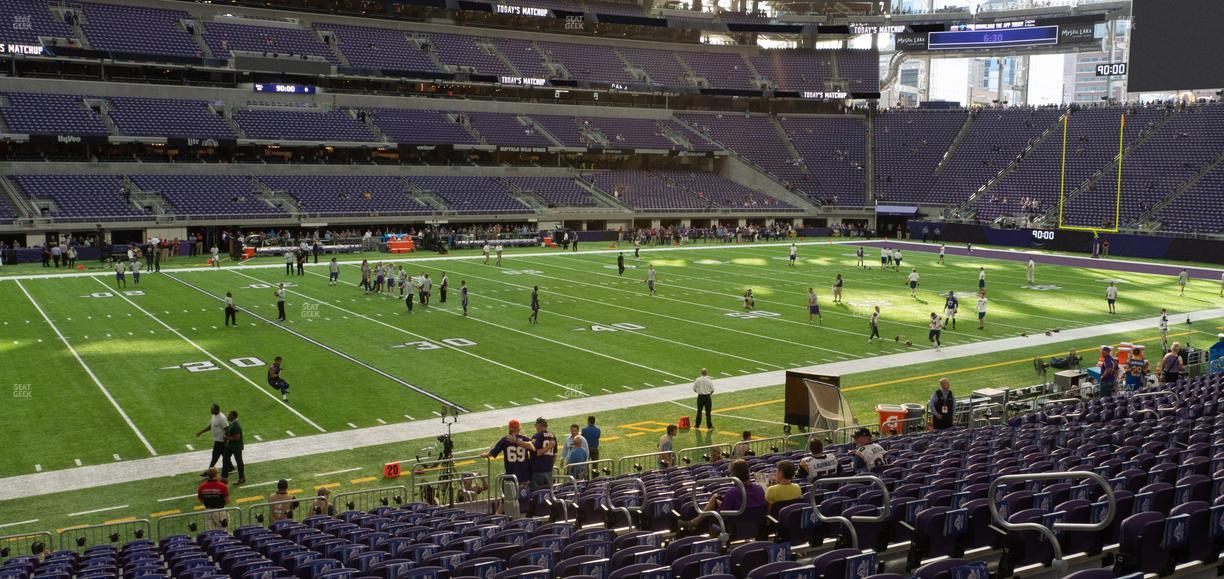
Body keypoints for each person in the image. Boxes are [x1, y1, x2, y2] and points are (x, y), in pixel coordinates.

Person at [685, 459, 765, 532]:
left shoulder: (732, 493)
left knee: (712, 516)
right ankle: (694, 522)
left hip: (735, 529)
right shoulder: (759, 489)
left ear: (734, 475)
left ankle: (696, 525)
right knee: (716, 498)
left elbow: (721, 513)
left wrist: (719, 505)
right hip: (757, 527)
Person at [482, 419, 534, 492]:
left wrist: (485, 454)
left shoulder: (505, 440)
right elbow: (534, 448)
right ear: (519, 428)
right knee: (525, 496)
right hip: (524, 475)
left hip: (510, 475)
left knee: (510, 496)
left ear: (509, 428)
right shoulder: (525, 439)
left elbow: (493, 452)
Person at [195, 404, 230, 474]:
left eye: (212, 409)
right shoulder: (214, 416)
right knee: (224, 456)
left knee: (215, 456)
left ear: (216, 410)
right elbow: (211, 426)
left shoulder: (222, 418)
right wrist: (201, 432)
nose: (210, 410)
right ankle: (231, 468)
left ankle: (208, 472)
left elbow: (227, 429)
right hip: (218, 440)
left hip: (221, 441)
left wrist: (226, 441)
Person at [529, 417, 556, 489]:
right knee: (548, 492)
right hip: (549, 469)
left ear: (539, 425)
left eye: (536, 425)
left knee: (537, 492)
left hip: (538, 470)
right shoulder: (552, 436)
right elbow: (555, 454)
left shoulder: (537, 436)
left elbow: (537, 453)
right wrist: (550, 465)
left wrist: (548, 447)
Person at [221, 410, 244, 484]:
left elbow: (237, 438)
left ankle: (241, 478)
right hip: (231, 446)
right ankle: (224, 477)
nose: (228, 416)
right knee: (225, 458)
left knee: (239, 462)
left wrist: (226, 438)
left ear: (233, 417)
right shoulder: (232, 424)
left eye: (229, 415)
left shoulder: (236, 426)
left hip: (236, 447)